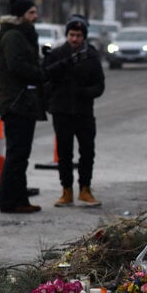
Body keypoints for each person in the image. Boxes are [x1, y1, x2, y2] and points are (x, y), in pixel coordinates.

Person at [43, 16, 105, 207]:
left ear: (84, 36)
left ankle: (85, 189)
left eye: (78, 35)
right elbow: (45, 75)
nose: (75, 39)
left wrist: (83, 93)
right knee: (64, 153)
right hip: (62, 111)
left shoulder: (92, 56)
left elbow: (99, 86)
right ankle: (66, 191)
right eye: (71, 35)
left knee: (87, 151)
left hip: (84, 111)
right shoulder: (57, 54)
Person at [0, 0, 47, 214]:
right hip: (16, 103)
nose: (35, 17)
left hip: (22, 102)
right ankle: (10, 200)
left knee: (20, 153)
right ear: (21, 16)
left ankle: (19, 198)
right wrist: (40, 74)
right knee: (17, 153)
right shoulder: (14, 37)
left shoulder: (21, 35)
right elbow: (18, 67)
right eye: (31, 13)